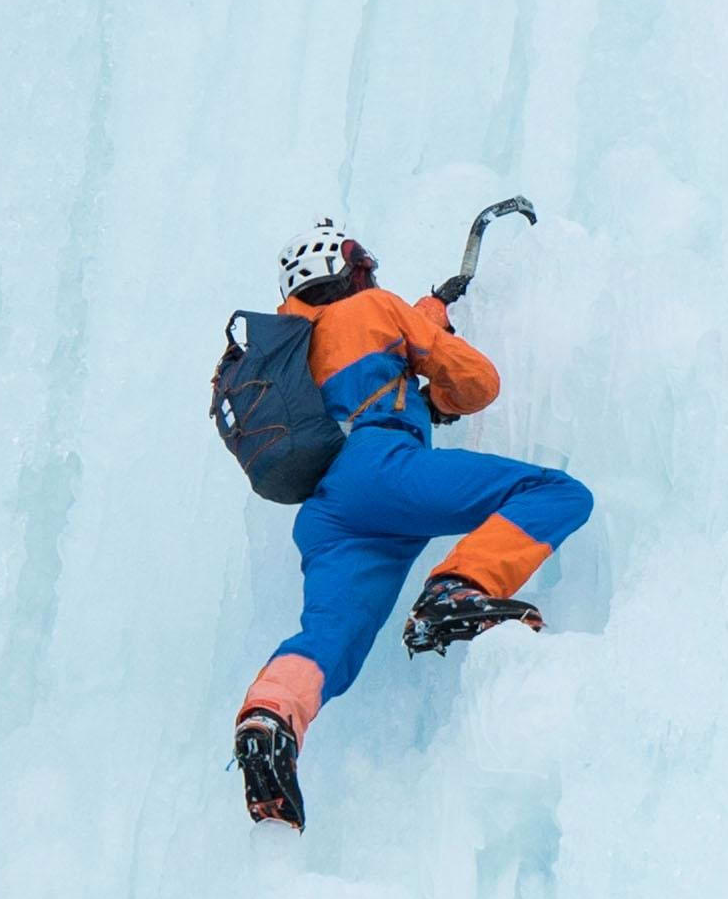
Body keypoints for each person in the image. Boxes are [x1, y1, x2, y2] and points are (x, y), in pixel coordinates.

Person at [234, 218, 594, 828]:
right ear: (342, 272)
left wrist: (427, 312)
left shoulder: (292, 348)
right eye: (360, 267)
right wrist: (435, 384)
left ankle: (271, 717)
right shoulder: (373, 309)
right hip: (383, 470)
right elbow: (478, 384)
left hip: (329, 515)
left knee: (330, 640)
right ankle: (460, 587)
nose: (369, 277)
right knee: (555, 493)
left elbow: (374, 350)